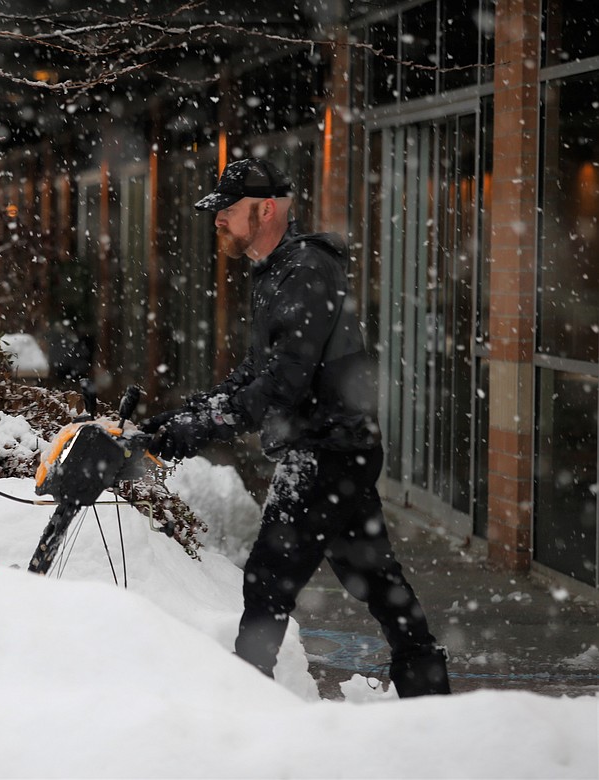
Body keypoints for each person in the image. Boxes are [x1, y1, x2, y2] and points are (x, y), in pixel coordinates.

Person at [140, 158, 451, 698]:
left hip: (327, 449)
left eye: (228, 211)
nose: (217, 221)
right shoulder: (277, 269)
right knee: (378, 584)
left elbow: (281, 385)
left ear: (265, 209)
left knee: (267, 583)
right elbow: (255, 372)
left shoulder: (304, 269)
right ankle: (431, 702)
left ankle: (245, 711)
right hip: (337, 449)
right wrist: (172, 420)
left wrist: (188, 434)